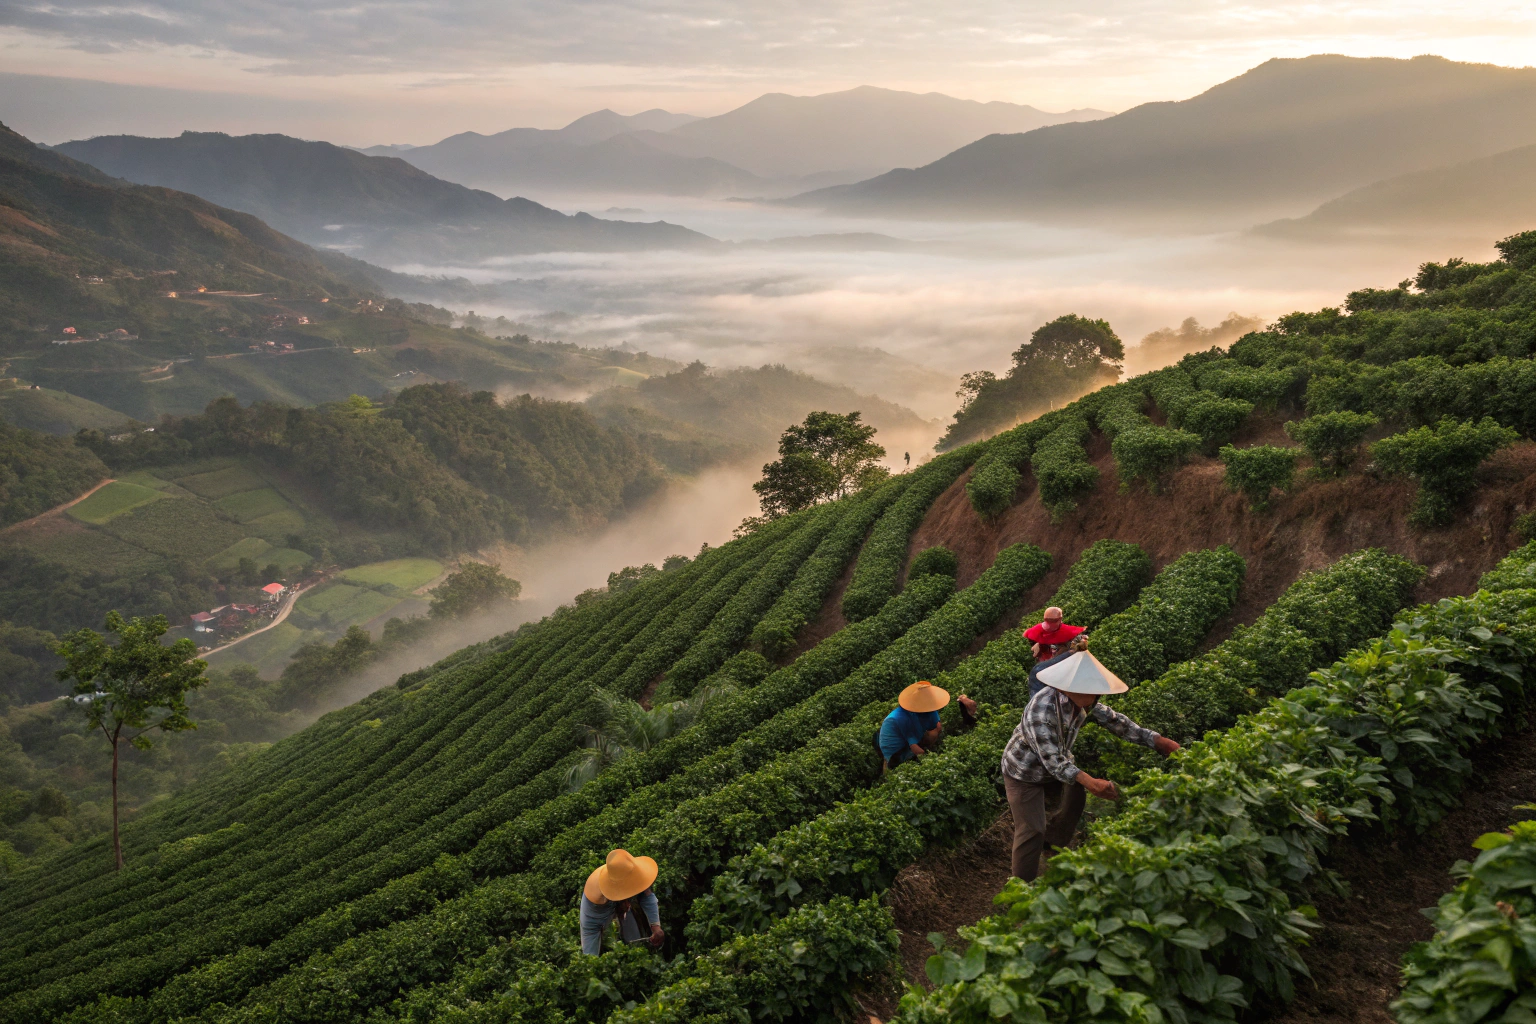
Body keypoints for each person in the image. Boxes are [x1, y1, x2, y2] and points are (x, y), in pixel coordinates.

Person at [1000, 651, 1180, 881]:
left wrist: (1156, 740)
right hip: (1024, 772)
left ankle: (1052, 845)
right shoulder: (1041, 710)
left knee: (1075, 799)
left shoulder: (1083, 700)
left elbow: (1116, 721)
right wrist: (1092, 783)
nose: (1098, 695)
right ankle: (1021, 887)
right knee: (1032, 829)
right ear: (1073, 688)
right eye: (1093, 690)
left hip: (1058, 763)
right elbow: (1053, 760)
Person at [877, 680, 977, 772]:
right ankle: (892, 766)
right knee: (909, 763)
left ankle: (925, 748)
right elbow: (915, 748)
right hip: (897, 752)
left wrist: (962, 700)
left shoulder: (928, 709)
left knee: (937, 728)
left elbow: (939, 722)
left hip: (910, 739)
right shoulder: (900, 718)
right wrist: (932, 761)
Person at [580, 848, 664, 954]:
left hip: (620, 902)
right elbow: (591, 930)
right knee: (590, 955)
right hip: (601, 910)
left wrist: (656, 926)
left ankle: (631, 945)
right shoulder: (595, 898)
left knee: (633, 938)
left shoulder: (631, 871)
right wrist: (618, 909)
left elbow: (647, 896)